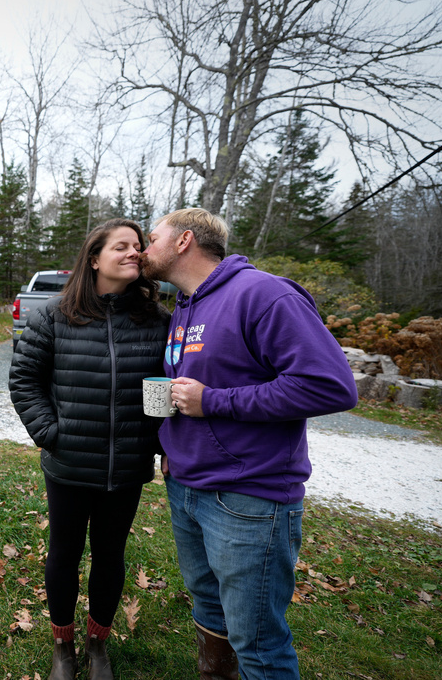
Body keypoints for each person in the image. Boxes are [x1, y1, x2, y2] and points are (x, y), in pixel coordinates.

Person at [139, 208, 357, 680]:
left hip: (247, 498)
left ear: (184, 242)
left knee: (257, 641)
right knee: (210, 613)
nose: (143, 247)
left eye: (151, 237)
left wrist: (214, 401)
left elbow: (331, 386)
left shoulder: (262, 294)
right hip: (188, 489)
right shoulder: (185, 305)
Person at [10, 219, 170, 680]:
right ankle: (63, 646)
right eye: (121, 246)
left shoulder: (156, 321)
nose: (134, 253)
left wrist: (157, 441)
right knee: (63, 554)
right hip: (69, 463)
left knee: (110, 555)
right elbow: (24, 380)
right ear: (94, 258)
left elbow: (162, 388)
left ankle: (97, 644)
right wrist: (49, 432)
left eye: (138, 246)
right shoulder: (55, 315)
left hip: (127, 467)